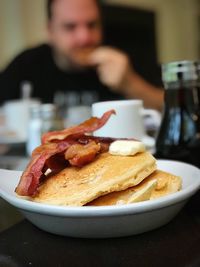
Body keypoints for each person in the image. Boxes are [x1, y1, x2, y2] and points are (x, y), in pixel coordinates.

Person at [0, 0, 163, 110]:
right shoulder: (27, 64)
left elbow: (170, 107)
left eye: (92, 25)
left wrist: (130, 84)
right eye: (70, 27)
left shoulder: (124, 54)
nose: (84, 38)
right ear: (50, 31)